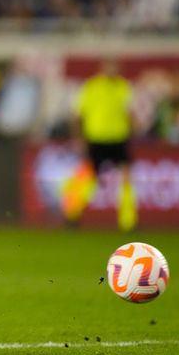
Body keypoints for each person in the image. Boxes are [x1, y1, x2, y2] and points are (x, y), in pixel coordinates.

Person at [61, 61, 137, 231]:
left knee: (126, 179)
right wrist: (79, 138)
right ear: (102, 69)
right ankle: (72, 213)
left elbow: (129, 113)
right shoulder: (91, 87)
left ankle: (128, 221)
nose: (113, 69)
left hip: (118, 139)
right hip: (96, 139)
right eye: (110, 67)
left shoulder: (124, 87)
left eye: (115, 67)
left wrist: (133, 128)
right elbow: (78, 115)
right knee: (87, 179)